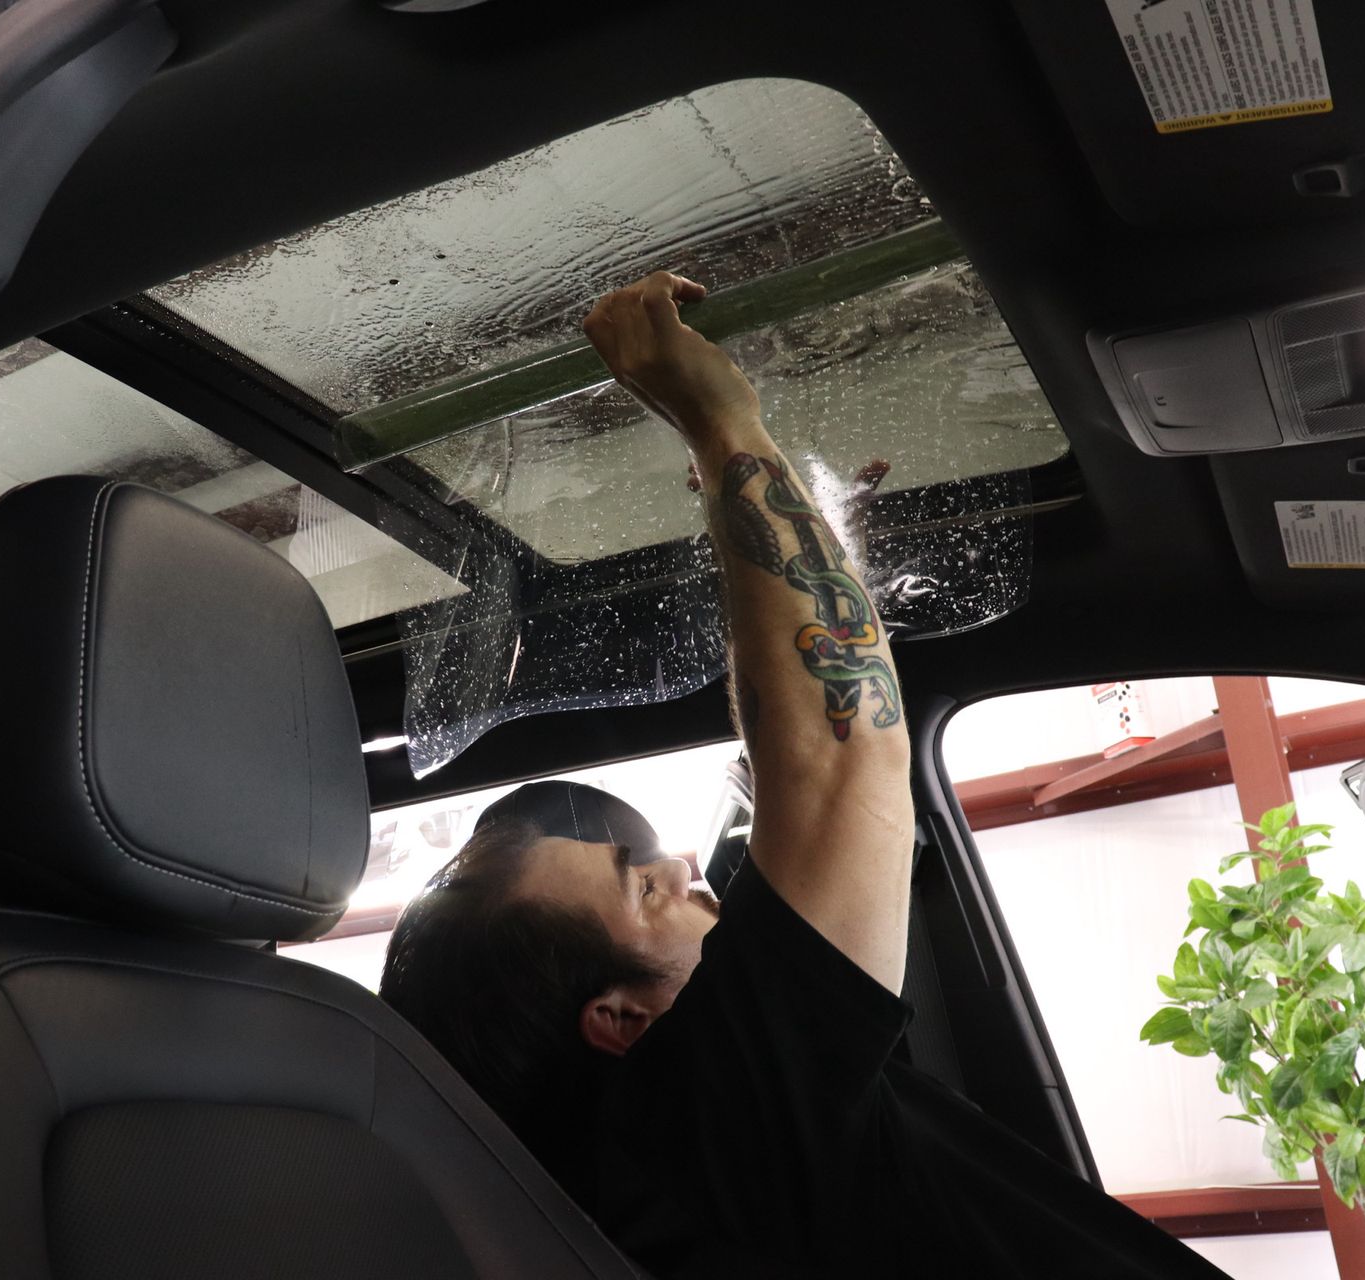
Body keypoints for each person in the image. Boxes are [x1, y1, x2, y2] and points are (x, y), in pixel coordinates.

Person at [380, 272, 1224, 1278]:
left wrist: (792, 535)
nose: (688, 863)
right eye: (644, 885)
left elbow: (789, 767)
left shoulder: (668, 1172)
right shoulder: (706, 1138)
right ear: (616, 1019)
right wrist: (717, 418)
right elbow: (832, 756)